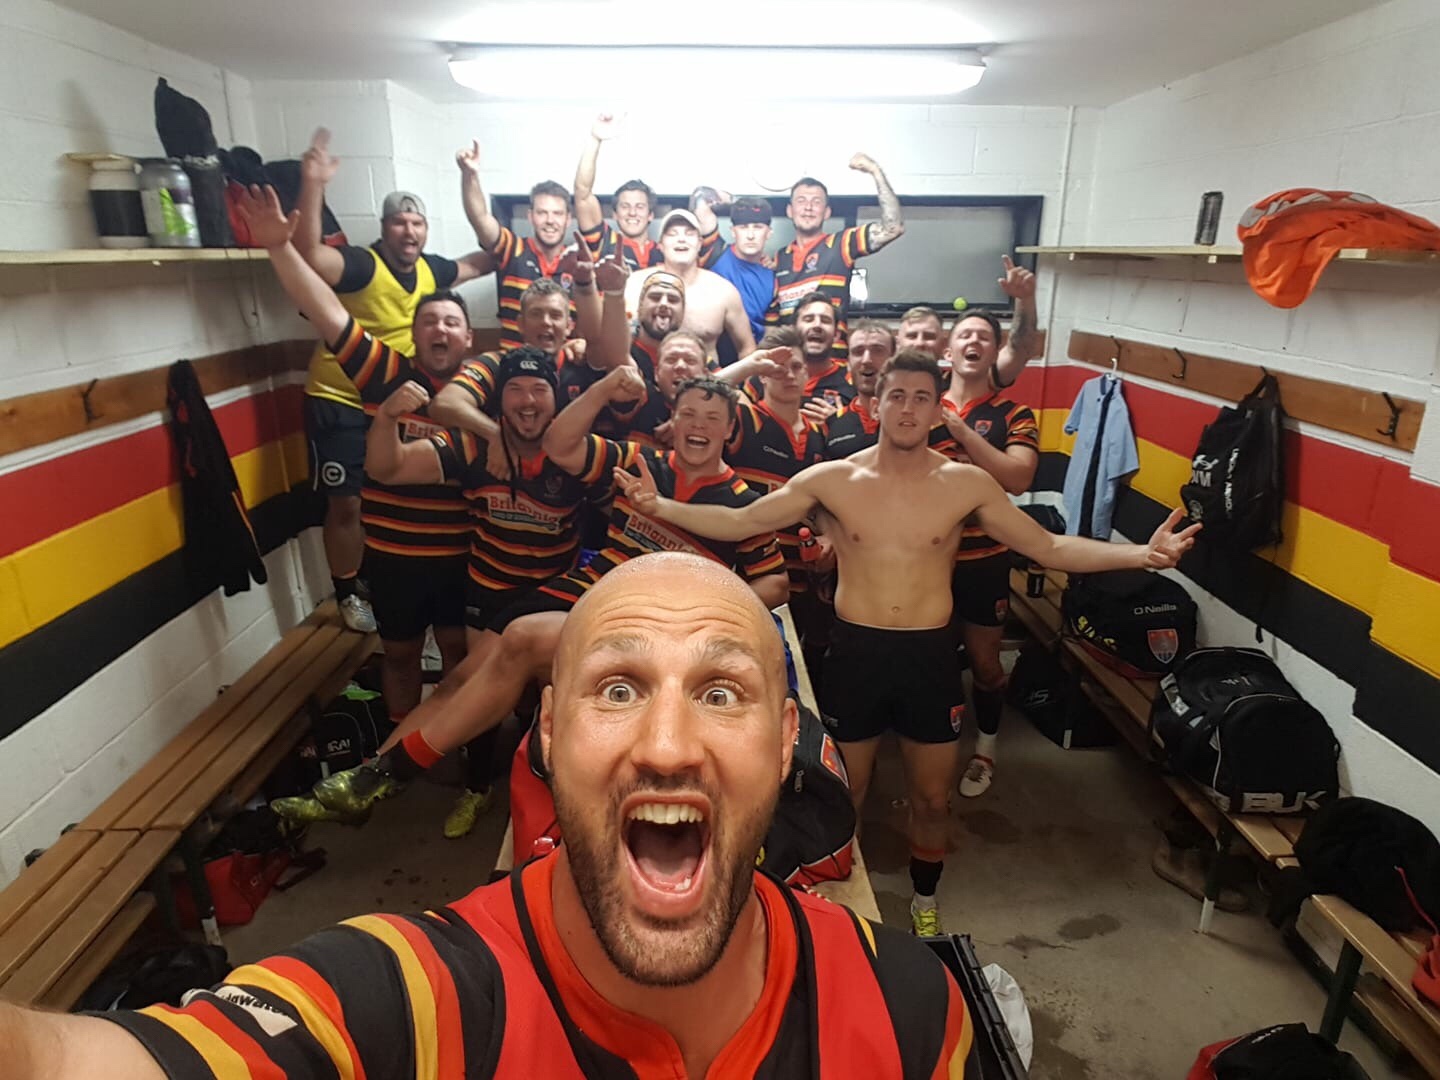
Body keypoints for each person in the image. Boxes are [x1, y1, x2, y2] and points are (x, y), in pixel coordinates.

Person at [1, 554, 975, 1079]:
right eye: (618, 690)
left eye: (720, 694)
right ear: (547, 732)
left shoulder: (911, 1011)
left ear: (789, 741)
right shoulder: (400, 1003)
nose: (669, 745)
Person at [617, 350, 1200, 935]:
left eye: (922, 398)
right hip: (856, 653)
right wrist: (659, 506)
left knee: (931, 799)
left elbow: (1046, 547)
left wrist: (1140, 555)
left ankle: (924, 901)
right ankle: (839, 911)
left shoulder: (965, 484)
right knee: (846, 792)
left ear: (938, 409)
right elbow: (745, 520)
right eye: (896, 395)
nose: (907, 408)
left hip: (928, 658)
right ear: (875, 404)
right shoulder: (833, 479)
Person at [306, 373, 788, 820]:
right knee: (466, 674)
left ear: (730, 430)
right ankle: (369, 775)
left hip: (641, 616)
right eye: (688, 414)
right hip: (584, 587)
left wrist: (708, 608)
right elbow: (560, 443)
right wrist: (603, 387)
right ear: (673, 421)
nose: (698, 426)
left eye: (712, 418)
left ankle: (400, 767)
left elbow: (775, 583)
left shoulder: (744, 503)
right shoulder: (640, 461)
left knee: (523, 639)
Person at [236, 184, 474, 767]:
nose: (441, 330)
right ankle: (395, 763)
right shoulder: (381, 371)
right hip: (392, 557)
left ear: (468, 337)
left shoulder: (483, 389)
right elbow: (325, 309)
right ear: (415, 333)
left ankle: (455, 755)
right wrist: (279, 248)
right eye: (430, 322)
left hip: (459, 559)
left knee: (458, 659)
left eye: (452, 322)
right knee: (400, 658)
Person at [358, 348, 607, 838]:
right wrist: (386, 419)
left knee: (547, 700)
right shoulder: (473, 447)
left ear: (557, 399)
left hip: (551, 597)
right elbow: (388, 468)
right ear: (499, 401)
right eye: (515, 389)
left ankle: (549, 800)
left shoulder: (576, 455)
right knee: (478, 695)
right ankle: (475, 788)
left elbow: (617, 512)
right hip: (489, 591)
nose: (528, 400)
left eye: (539, 389)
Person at [294, 127, 494, 631]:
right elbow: (310, 259)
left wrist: (519, 240)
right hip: (342, 395)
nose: (409, 231)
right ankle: (348, 591)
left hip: (406, 393)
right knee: (348, 501)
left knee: (412, 487)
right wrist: (313, 186)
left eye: (417, 222)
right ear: (384, 227)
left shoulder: (432, 271)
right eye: (399, 222)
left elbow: (485, 259)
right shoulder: (363, 264)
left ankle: (405, 592)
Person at [932, 311, 1041, 798]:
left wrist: (963, 434)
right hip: (927, 560)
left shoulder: (1013, 413)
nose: (973, 341)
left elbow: (1018, 477)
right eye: (964, 335)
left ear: (995, 352)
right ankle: (933, 748)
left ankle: (986, 750)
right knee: (930, 662)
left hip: (985, 562)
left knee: (986, 665)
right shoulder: (923, 403)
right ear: (948, 350)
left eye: (984, 336)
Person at [768, 155, 905, 358]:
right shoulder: (779, 259)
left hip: (834, 362)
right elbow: (773, 324)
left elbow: (892, 228)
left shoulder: (842, 244)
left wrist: (875, 172)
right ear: (790, 211)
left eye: (816, 202)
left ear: (827, 212)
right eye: (801, 201)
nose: (808, 207)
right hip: (792, 364)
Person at [458, 140, 574, 348]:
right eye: (542, 213)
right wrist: (470, 176)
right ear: (530, 216)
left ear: (568, 219)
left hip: (560, 364)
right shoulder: (512, 249)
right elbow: (480, 218)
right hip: (513, 362)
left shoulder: (577, 263)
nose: (550, 220)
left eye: (557, 213)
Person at [622, 209, 756, 361]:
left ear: (699, 244)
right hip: (644, 373)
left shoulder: (723, 291)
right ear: (660, 245)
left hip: (705, 375)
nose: (681, 239)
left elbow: (747, 349)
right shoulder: (634, 285)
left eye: (689, 234)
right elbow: (616, 345)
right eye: (672, 234)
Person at [573, 112, 662, 270]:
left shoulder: (665, 251)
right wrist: (595, 139)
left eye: (640, 207)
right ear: (615, 214)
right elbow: (583, 193)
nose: (632, 213)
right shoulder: (604, 243)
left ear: (650, 215)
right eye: (625, 206)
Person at [693, 192, 778, 347]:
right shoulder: (715, 253)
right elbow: (700, 199)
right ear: (733, 231)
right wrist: (734, 201)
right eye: (743, 227)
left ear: (769, 233)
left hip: (753, 353)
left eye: (758, 227)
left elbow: (770, 332)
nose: (750, 235)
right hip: (713, 351)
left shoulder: (772, 276)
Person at [824, 320, 894, 459]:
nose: (866, 360)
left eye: (877, 350)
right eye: (858, 352)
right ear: (848, 364)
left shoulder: (913, 417)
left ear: (894, 359)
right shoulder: (831, 423)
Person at [792, 291, 856, 411]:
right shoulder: (773, 377)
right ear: (794, 331)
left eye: (825, 320)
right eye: (809, 319)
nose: (817, 325)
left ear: (836, 335)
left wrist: (841, 420)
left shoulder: (853, 383)